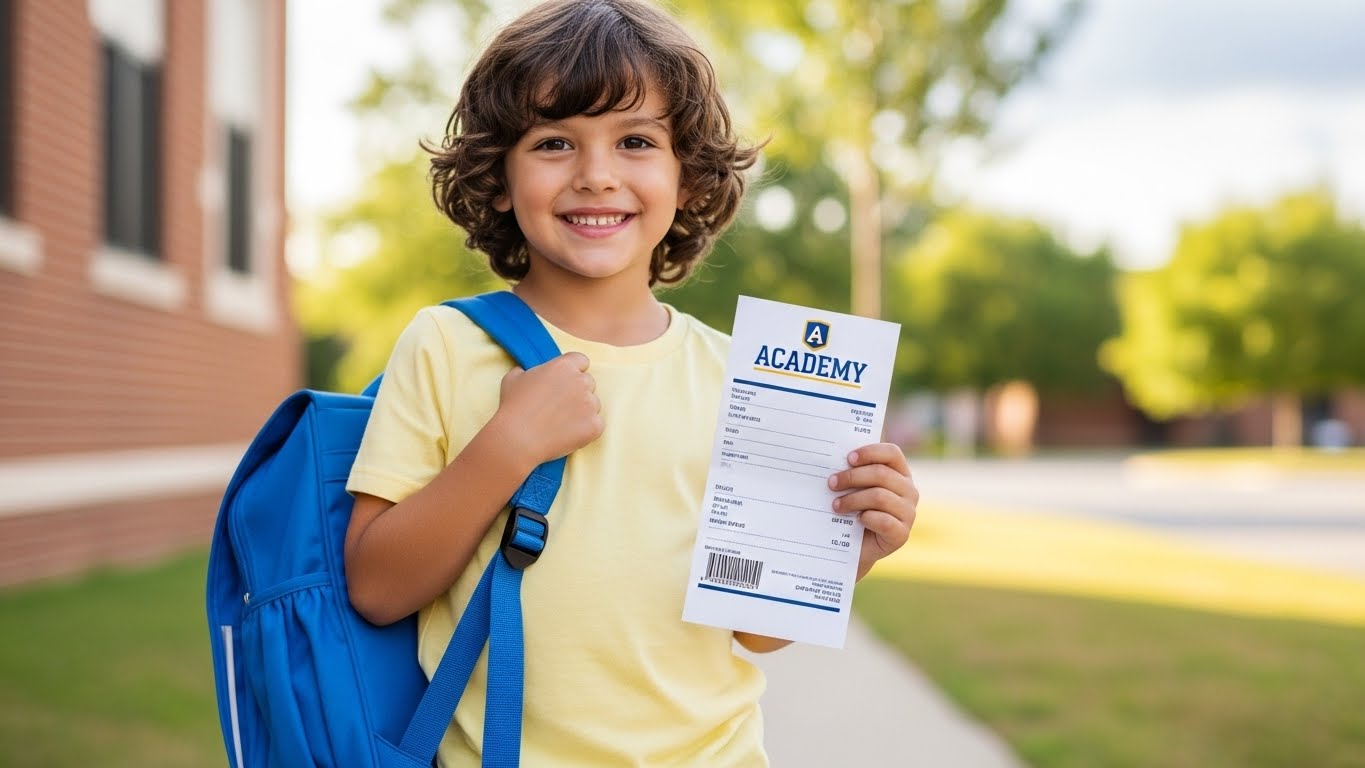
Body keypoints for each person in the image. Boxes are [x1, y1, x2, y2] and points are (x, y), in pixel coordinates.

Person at [343, 0, 919, 764]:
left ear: (687, 179)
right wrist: (505, 446)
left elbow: (753, 629)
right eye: (553, 142)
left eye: (636, 141)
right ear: (500, 178)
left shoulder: (740, 377)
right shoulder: (449, 345)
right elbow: (377, 588)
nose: (596, 175)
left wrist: (853, 549)